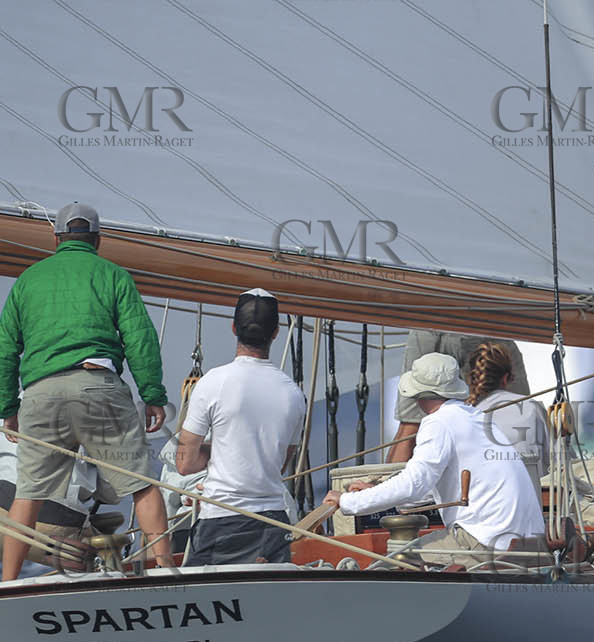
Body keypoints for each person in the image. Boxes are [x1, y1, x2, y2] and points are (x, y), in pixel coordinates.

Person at [0, 203, 173, 580]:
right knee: (141, 485)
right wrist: (153, 395)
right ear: (97, 240)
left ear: (56, 238)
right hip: (99, 388)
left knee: (28, 494)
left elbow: (5, 349)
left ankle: (8, 585)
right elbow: (140, 339)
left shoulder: (28, 280)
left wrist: (8, 408)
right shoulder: (114, 275)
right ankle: (165, 570)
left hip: (42, 393)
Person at [327, 353, 545, 564]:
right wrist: (375, 489)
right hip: (527, 543)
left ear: (419, 395)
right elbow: (426, 486)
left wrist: (347, 501)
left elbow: (413, 484)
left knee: (399, 559)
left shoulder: (439, 422)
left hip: (487, 542)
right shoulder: (474, 417)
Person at [174, 289, 307, 565]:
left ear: (234, 328)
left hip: (221, 521)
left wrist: (222, 450)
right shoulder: (294, 395)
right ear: (275, 333)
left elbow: (185, 464)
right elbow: (279, 463)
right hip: (273, 522)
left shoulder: (212, 383)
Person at [388, 330, 531, 464]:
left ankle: (388, 482)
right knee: (521, 416)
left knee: (410, 427)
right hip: (491, 325)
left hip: (436, 325)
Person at [466, 342, 550, 484]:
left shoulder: (468, 417)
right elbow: (559, 460)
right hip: (534, 495)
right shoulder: (532, 407)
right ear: (505, 378)